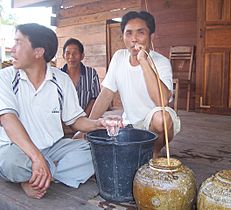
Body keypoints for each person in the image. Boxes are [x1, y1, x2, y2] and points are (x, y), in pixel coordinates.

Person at [0, 23, 110, 199]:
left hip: (53, 147)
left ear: (38, 52)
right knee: (11, 163)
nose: (12, 50)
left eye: (18, 43)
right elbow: (7, 119)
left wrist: (99, 123)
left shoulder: (61, 80)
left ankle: (36, 177)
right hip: (16, 149)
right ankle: (44, 172)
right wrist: (36, 158)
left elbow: (75, 120)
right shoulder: (6, 77)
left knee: (97, 151)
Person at [76, 11, 180, 158]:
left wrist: (143, 61)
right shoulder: (119, 57)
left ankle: (154, 152)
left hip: (153, 125)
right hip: (129, 125)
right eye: (129, 33)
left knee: (162, 118)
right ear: (123, 36)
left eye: (140, 33)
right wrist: (87, 127)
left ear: (151, 36)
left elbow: (162, 101)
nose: (134, 39)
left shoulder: (161, 62)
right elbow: (106, 94)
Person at [61, 38, 100, 116]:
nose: (71, 56)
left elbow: (95, 98)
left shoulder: (91, 74)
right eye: (68, 53)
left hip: (86, 120)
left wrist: (83, 119)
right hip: (62, 122)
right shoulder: (58, 76)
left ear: (82, 56)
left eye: (75, 53)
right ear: (63, 56)